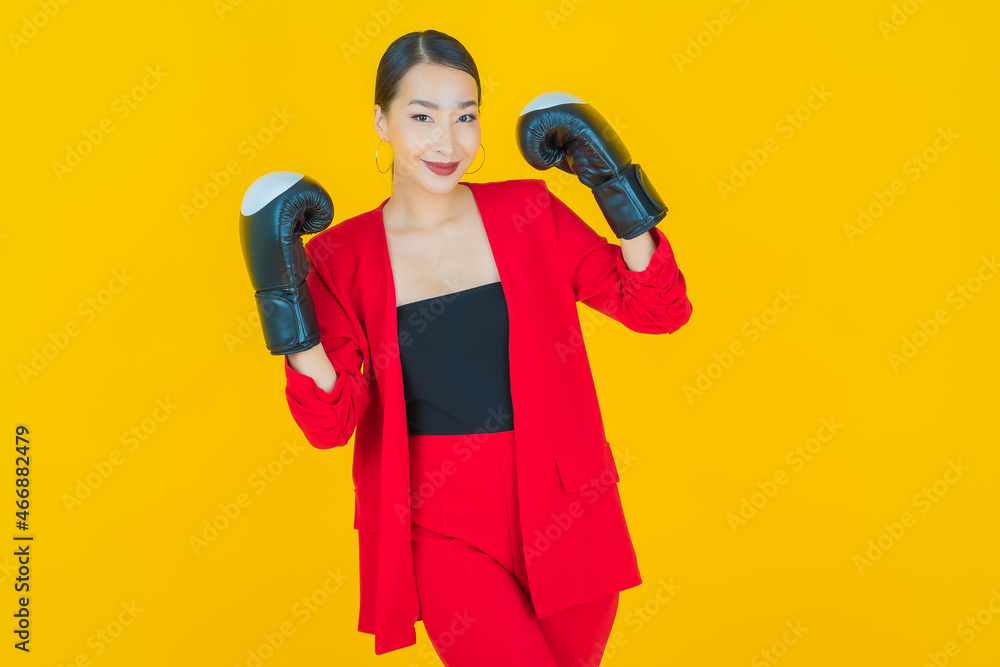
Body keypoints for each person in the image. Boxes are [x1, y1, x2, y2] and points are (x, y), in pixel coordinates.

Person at [244, 29, 693, 665]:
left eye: (466, 116)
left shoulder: (527, 210)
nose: (447, 142)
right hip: (438, 519)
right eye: (422, 116)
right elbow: (330, 423)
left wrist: (617, 188)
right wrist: (285, 306)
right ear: (381, 122)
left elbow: (657, 309)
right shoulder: (341, 257)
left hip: (565, 503)